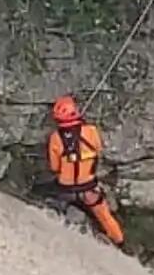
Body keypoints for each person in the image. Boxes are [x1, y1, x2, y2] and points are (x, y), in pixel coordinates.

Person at [45, 95, 124, 246]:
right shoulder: (91, 131)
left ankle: (60, 223)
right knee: (104, 214)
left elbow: (55, 167)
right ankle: (118, 240)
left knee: (54, 202)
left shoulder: (55, 138)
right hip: (88, 186)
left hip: (65, 188)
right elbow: (99, 149)